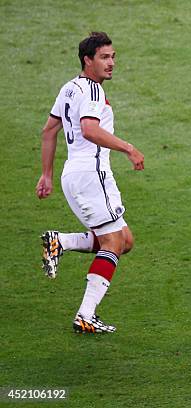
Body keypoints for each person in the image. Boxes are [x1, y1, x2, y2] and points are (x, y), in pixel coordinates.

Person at [36, 32, 144, 334]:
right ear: (88, 60)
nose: (111, 63)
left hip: (74, 174)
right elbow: (89, 130)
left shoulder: (69, 88)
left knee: (125, 241)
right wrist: (128, 148)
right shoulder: (93, 91)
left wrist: (46, 174)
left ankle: (63, 241)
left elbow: (48, 131)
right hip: (91, 176)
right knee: (113, 243)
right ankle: (85, 314)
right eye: (104, 57)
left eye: (113, 57)